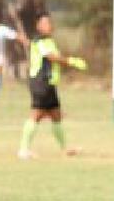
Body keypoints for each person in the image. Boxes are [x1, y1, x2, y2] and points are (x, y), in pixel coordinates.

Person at [18, 15, 87, 160]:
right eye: (44, 23)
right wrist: (71, 61)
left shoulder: (48, 41)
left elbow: (54, 57)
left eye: (49, 22)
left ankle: (64, 148)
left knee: (56, 115)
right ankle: (23, 150)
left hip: (49, 83)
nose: (49, 25)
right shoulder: (40, 40)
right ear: (38, 26)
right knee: (36, 114)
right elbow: (51, 57)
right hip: (40, 82)